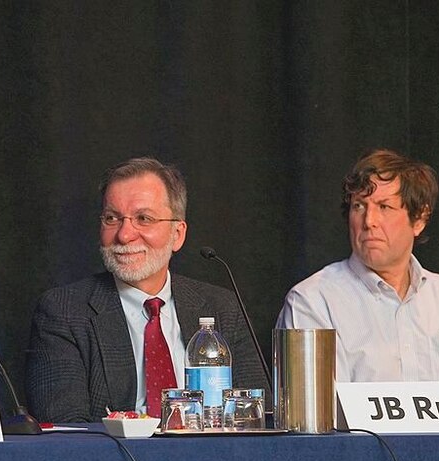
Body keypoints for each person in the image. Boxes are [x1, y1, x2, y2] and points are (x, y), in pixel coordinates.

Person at [26, 157, 269, 422]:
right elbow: (65, 426)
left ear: (178, 234)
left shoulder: (221, 307)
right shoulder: (64, 311)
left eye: (143, 218)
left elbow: (257, 414)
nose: (124, 235)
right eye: (112, 218)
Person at [276, 148, 439, 382]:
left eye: (384, 207)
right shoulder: (313, 302)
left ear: (419, 219)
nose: (369, 221)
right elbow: (318, 416)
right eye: (359, 206)